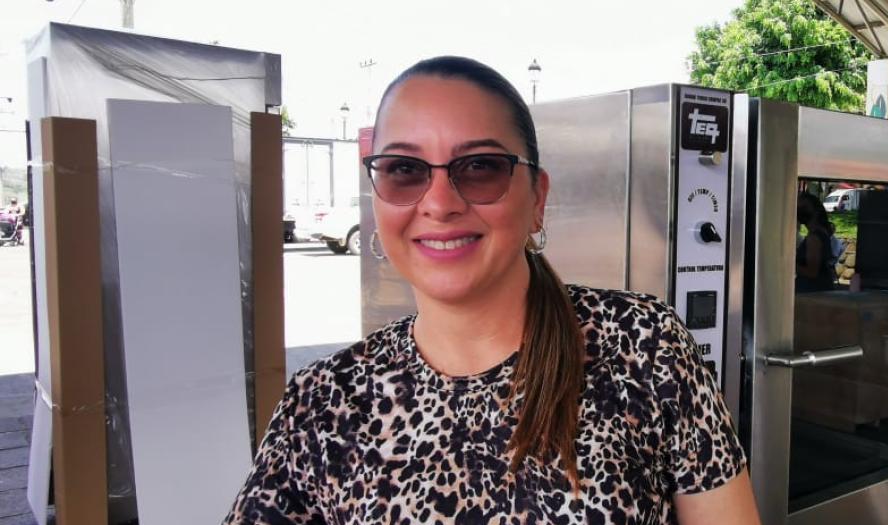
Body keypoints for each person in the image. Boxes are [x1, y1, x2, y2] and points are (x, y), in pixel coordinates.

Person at [225, 57, 759, 524]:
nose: (439, 202)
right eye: (404, 170)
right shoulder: (324, 403)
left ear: (537, 199)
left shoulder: (644, 346)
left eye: (480, 167)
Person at [796, 191, 836, 292]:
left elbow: (812, 272)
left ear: (815, 211)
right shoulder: (822, 233)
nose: (799, 210)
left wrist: (789, 265)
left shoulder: (814, 238)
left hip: (811, 292)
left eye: (803, 207)